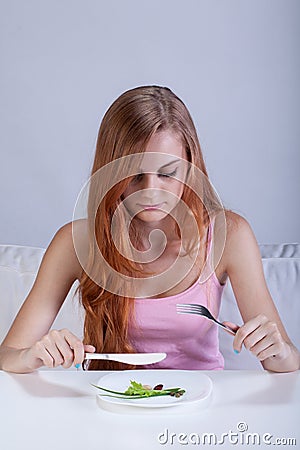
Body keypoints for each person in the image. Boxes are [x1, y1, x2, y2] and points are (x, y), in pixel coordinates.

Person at [0, 85, 299, 373]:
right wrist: (33, 355)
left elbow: (285, 362)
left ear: (190, 165)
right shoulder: (75, 243)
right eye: (134, 176)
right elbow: (8, 356)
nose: (151, 192)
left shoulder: (230, 235)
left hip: (202, 409)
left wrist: (278, 349)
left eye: (168, 173)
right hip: (111, 407)